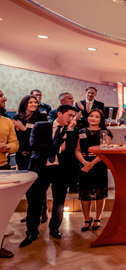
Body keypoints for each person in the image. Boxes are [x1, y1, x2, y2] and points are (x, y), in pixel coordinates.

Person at [20, 104, 79, 248]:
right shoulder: (41, 126)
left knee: (59, 201)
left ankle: (54, 228)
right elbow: (34, 145)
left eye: (73, 116)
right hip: (41, 168)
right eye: (69, 115)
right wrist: (57, 148)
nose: (71, 119)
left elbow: (70, 149)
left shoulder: (72, 130)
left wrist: (70, 129)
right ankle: (32, 232)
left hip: (61, 169)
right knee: (35, 202)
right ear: (59, 113)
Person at [75, 109, 111, 232]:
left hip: (99, 164)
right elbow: (77, 150)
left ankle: (97, 218)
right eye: (91, 116)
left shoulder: (105, 132)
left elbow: (104, 150)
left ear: (101, 120)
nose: (93, 118)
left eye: (97, 117)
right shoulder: (81, 132)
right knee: (84, 193)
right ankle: (86, 219)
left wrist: (91, 163)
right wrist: (85, 163)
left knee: (100, 193)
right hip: (83, 164)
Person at [0, 89, 19, 258]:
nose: (5, 98)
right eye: (0, 96)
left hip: (3, 168)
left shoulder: (7, 122)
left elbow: (15, 143)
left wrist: (8, 148)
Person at [12, 95, 48, 170]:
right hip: (21, 153)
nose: (34, 104)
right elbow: (16, 135)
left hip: (36, 154)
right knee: (23, 176)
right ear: (24, 104)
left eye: (35, 102)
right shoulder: (17, 117)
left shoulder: (42, 117)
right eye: (30, 102)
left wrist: (24, 129)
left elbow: (42, 135)